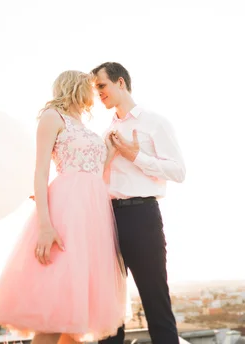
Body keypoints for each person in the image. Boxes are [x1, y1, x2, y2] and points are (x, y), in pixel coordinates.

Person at [0, 70, 129, 344]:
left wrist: (109, 150)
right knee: (56, 305)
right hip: (66, 209)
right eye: (90, 88)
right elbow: (40, 173)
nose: (94, 94)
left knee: (75, 315)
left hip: (93, 215)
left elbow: (95, 171)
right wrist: (45, 226)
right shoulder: (52, 117)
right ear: (76, 87)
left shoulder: (82, 124)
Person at [92, 62, 186, 344]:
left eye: (101, 86)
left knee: (155, 299)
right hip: (106, 218)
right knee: (108, 306)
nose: (98, 93)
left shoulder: (155, 122)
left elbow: (179, 171)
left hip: (142, 216)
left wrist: (136, 156)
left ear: (120, 83)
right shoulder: (106, 131)